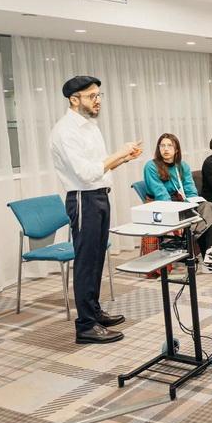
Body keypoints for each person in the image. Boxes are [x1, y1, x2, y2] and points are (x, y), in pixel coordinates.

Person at [50, 76, 142, 344]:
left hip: (99, 196)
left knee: (97, 259)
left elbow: (101, 166)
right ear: (74, 99)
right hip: (83, 199)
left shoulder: (90, 126)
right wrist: (119, 152)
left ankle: (94, 311)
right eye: (92, 96)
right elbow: (86, 173)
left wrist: (123, 158)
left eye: (99, 95)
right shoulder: (65, 131)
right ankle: (86, 326)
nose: (98, 100)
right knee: (86, 261)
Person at [144, 133, 212, 273]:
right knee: (199, 219)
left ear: (176, 149)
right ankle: (208, 258)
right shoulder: (151, 166)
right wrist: (184, 210)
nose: (166, 149)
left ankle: (210, 254)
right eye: (162, 146)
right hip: (160, 205)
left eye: (170, 146)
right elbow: (161, 194)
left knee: (208, 208)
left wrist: (193, 204)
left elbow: (190, 190)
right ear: (158, 148)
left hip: (182, 201)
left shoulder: (182, 166)